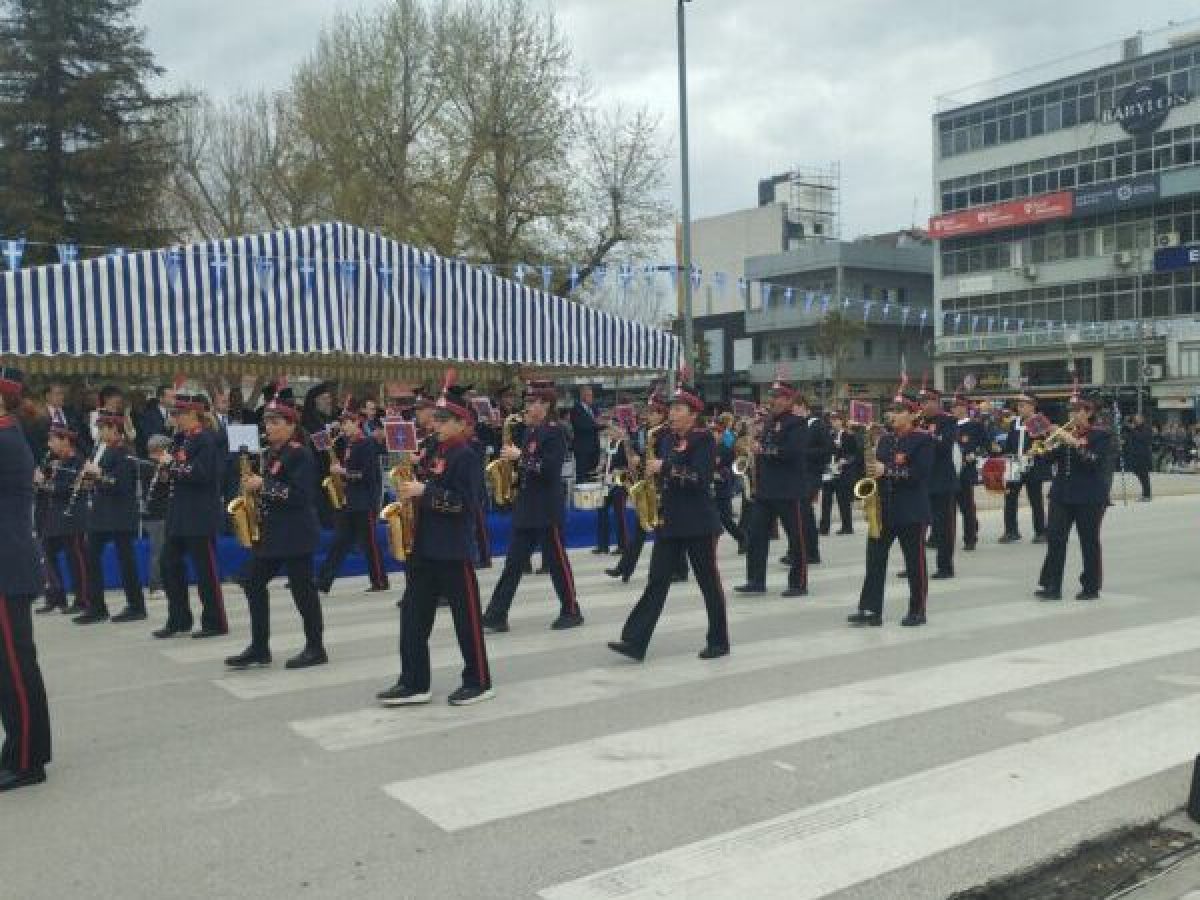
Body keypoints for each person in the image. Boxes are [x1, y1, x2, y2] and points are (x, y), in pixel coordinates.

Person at [376, 384, 493, 706]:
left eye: (443, 420)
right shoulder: (434, 450)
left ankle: (479, 681)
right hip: (423, 546)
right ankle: (413, 682)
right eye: (435, 419)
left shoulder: (466, 456)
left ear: (461, 423)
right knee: (412, 617)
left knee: (466, 619)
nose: (434, 424)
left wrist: (424, 492)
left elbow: (465, 504)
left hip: (452, 549)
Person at [609, 382, 729, 662]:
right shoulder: (665, 439)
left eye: (678, 409)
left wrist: (666, 467)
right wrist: (642, 467)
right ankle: (635, 642)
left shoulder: (704, 440)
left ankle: (719, 641)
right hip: (670, 520)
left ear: (693, 414)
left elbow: (699, 478)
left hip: (698, 523)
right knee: (656, 581)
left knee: (708, 583)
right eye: (671, 409)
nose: (671, 414)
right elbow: (658, 473)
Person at [225, 399, 328, 670]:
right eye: (267, 422)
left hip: (295, 533)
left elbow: (301, 496)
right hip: (273, 533)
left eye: (275, 422)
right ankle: (259, 648)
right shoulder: (272, 453)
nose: (268, 427)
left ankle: (316, 647)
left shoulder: (300, 454)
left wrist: (264, 485)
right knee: (251, 580)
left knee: (303, 591)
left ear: (291, 426)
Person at [482, 380, 582, 632]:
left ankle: (571, 610)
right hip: (527, 506)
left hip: (547, 508)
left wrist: (521, 457)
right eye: (526, 402)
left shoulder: (555, 431)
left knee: (557, 562)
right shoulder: (530, 431)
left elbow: (550, 470)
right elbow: (528, 468)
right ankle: (497, 613)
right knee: (513, 563)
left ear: (545, 404)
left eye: (531, 402)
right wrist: (512, 474)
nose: (526, 407)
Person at [0, 367, 52, 792]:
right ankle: (20, 749)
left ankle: (27, 761)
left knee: (15, 667)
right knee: (8, 667)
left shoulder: (5, 437)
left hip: (7, 564)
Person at [848, 394, 934, 627]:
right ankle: (870, 609)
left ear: (913, 414)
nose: (892, 415)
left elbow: (920, 474)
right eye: (891, 410)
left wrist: (886, 470)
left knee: (915, 564)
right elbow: (874, 471)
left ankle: (917, 610)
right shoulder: (885, 440)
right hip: (883, 510)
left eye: (898, 411)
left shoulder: (923, 440)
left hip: (912, 511)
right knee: (874, 561)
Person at [154, 393, 229, 640]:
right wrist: (165, 471)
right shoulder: (181, 439)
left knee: (205, 571)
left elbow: (202, 473)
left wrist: (172, 466)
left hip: (199, 514)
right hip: (179, 514)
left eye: (180, 414)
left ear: (193, 414)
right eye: (175, 414)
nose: (176, 419)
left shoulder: (205, 439)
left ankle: (215, 621)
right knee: (168, 564)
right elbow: (178, 472)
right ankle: (178, 619)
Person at [604, 395, 688, 584]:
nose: (648, 416)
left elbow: (664, 459)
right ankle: (625, 568)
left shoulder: (667, 434)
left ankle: (680, 569)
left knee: (666, 532)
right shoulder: (648, 431)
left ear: (661, 414)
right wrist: (627, 444)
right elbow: (641, 455)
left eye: (652, 413)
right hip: (649, 485)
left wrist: (641, 461)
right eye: (648, 412)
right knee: (642, 529)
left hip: (662, 486)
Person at [736, 380, 808, 598]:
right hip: (766, 489)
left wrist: (763, 449)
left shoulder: (797, 423)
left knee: (796, 538)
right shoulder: (769, 421)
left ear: (788, 400)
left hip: (788, 490)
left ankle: (798, 583)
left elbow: (792, 452)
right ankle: (756, 580)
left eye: (777, 397)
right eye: (772, 397)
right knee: (756, 535)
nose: (773, 401)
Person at [1036, 396, 1111, 602]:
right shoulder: (1066, 433)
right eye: (1071, 411)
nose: (1073, 415)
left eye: (1078, 411)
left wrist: (1074, 443)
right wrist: (1045, 443)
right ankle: (1052, 585)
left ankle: (1091, 587)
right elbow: (1048, 459)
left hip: (1089, 496)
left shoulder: (1100, 435)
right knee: (1055, 539)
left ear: (1089, 413)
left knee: (1089, 541)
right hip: (1061, 494)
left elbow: (1093, 462)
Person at [79, 412, 146, 624]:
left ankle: (136, 605)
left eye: (103, 428)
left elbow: (120, 484)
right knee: (90, 555)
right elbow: (98, 479)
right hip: (101, 513)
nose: (100, 432)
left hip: (120, 513)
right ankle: (97, 606)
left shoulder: (124, 452)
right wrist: (87, 479)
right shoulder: (100, 449)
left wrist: (98, 475)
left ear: (115, 429)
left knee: (126, 560)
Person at [317, 409, 390, 594]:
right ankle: (323, 581)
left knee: (370, 544)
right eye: (342, 424)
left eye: (346, 423)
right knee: (339, 542)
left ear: (356, 422)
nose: (343, 427)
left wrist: (343, 472)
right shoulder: (349, 444)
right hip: (350, 500)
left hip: (365, 501)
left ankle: (380, 581)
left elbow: (367, 475)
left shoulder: (367, 444)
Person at [34, 424, 92, 615]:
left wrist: (45, 483)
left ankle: (83, 598)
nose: (49, 444)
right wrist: (38, 481)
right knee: (46, 554)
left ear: (66, 441)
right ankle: (55, 596)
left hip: (72, 516)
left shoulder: (78, 461)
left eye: (53, 440)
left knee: (76, 557)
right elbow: (44, 487)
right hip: (51, 516)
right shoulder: (51, 461)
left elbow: (69, 488)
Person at [1000, 393, 1049, 544]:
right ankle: (1011, 531)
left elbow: (1046, 443)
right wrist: (1006, 457)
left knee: (1035, 499)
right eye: (1019, 405)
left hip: (1033, 464)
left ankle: (1041, 532)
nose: (1019, 408)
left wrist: (1036, 451)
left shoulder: (1039, 421)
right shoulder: (1014, 422)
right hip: (1014, 463)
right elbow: (1010, 443)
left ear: (1032, 406)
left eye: (1023, 405)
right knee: (1010, 498)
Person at [920, 388, 958, 580]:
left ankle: (945, 566)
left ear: (937, 402)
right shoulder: (918, 422)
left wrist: (925, 436)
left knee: (944, 528)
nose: (924, 405)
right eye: (922, 401)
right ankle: (915, 565)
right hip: (921, 482)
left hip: (942, 481)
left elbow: (944, 446)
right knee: (916, 528)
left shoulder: (948, 421)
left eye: (928, 401)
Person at [952, 395, 988, 552]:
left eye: (957, 406)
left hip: (966, 470)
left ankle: (970, 538)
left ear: (964, 408)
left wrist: (973, 455)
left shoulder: (975, 425)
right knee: (948, 508)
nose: (954, 410)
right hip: (950, 472)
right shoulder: (950, 425)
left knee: (966, 506)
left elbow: (985, 445)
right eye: (953, 407)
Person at [820, 412, 861, 536]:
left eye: (836, 419)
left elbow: (855, 454)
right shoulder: (828, 435)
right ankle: (824, 528)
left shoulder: (849, 435)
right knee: (826, 500)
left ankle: (847, 526)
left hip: (843, 471)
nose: (834, 422)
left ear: (842, 421)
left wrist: (846, 460)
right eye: (832, 420)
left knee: (843, 500)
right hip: (829, 469)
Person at [594, 423, 631, 555]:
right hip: (607, 482)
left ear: (620, 431)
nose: (610, 432)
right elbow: (605, 461)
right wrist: (600, 468)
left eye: (613, 429)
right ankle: (603, 545)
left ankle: (623, 545)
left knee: (619, 514)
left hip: (620, 482)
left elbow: (632, 465)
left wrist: (621, 470)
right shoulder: (608, 444)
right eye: (609, 430)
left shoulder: (626, 445)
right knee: (601, 512)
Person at [712, 412, 746, 548]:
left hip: (722, 488)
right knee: (712, 519)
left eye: (717, 433)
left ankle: (742, 538)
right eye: (713, 432)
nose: (715, 435)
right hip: (710, 489)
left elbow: (728, 470)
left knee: (726, 519)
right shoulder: (709, 448)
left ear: (721, 435)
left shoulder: (726, 450)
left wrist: (715, 473)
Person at [570, 385, 601, 481]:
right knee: (582, 475)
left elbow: (599, 422)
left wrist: (606, 423)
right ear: (583, 396)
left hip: (594, 447)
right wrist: (598, 424)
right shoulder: (576, 409)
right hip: (582, 448)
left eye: (592, 395)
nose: (591, 397)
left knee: (592, 475)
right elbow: (582, 426)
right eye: (589, 395)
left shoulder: (594, 408)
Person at [1126, 414, 1153, 502]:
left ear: (1142, 419)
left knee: (1144, 476)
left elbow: (1142, 438)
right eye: (1135, 419)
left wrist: (1133, 429)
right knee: (1139, 474)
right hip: (1135, 455)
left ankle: (1147, 494)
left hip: (1143, 456)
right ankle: (1145, 493)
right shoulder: (1135, 428)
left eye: (1137, 419)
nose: (1135, 421)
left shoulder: (1146, 428)